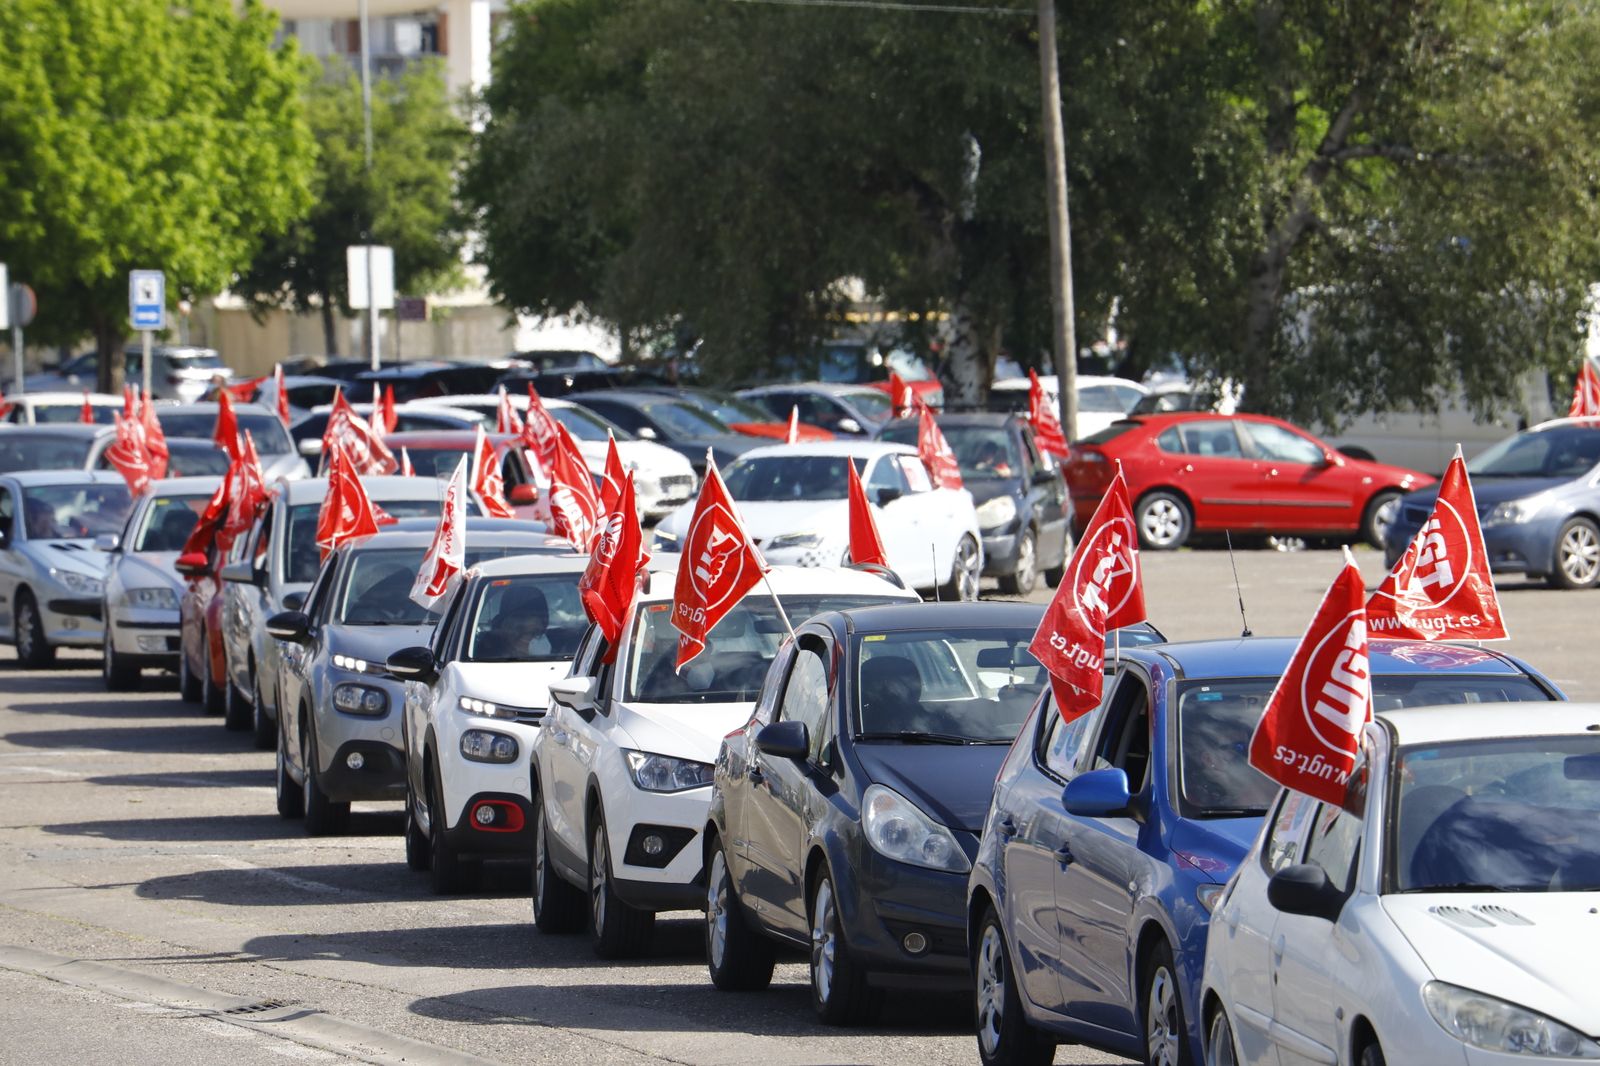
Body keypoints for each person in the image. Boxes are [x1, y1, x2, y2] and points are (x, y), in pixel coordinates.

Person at [476, 588, 550, 660]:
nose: (539, 624)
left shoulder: (556, 641)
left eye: (540, 615)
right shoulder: (490, 646)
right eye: (532, 614)